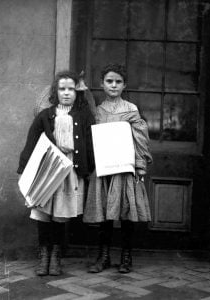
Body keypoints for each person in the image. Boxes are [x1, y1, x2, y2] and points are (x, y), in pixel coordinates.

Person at [17, 70, 95, 276]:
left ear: (77, 93)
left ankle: (56, 257)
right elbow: (31, 143)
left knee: (61, 214)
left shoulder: (84, 116)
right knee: (43, 214)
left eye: (71, 89)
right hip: (48, 169)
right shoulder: (45, 115)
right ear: (55, 92)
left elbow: (90, 144)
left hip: (70, 170)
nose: (67, 93)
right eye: (62, 89)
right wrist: (24, 169)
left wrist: (88, 169)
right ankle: (44, 255)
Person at [83, 63, 153, 274]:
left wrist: (140, 165)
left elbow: (140, 139)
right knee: (104, 215)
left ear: (124, 85)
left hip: (125, 169)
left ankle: (126, 256)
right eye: (109, 81)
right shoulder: (97, 111)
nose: (113, 85)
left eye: (118, 82)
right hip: (104, 169)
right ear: (102, 84)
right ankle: (103, 256)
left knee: (125, 214)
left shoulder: (130, 109)